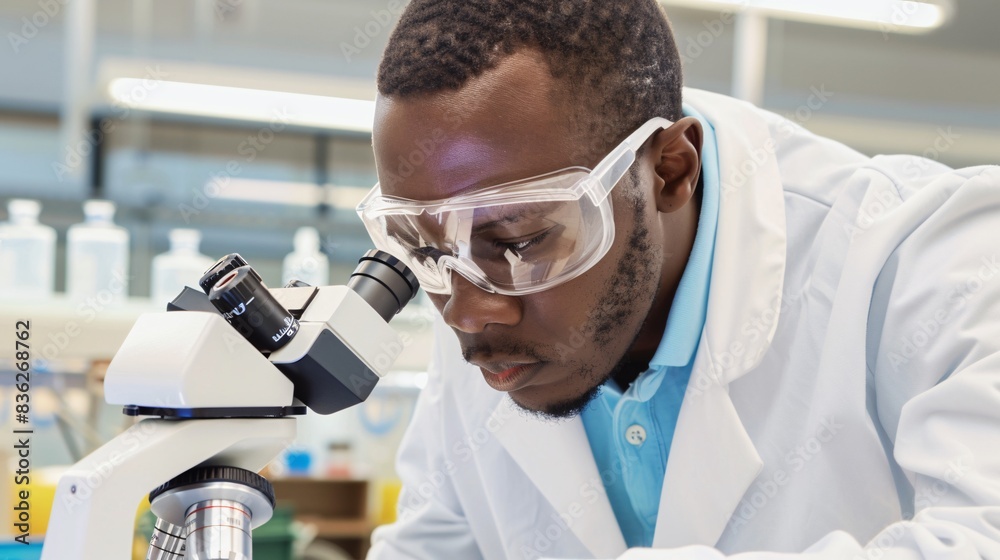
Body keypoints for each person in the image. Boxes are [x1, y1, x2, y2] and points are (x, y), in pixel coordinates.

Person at [357, 1, 1000, 558]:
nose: (465, 312)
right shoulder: (475, 285)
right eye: (423, 248)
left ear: (669, 171)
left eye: (519, 242)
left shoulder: (928, 256)